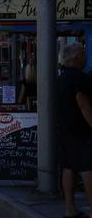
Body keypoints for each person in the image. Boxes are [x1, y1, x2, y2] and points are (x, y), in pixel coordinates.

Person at [57, 42, 92, 218]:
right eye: (84, 54)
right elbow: (83, 102)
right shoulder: (79, 77)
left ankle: (69, 209)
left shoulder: (61, 77)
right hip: (81, 129)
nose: (85, 57)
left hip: (64, 129)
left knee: (68, 167)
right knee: (88, 168)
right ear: (76, 57)